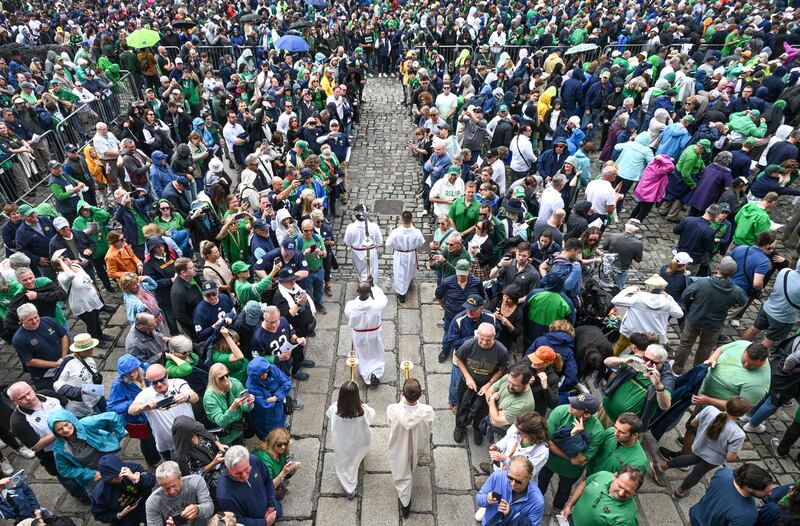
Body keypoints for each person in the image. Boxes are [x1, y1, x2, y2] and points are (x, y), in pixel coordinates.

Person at [651, 397, 751, 498]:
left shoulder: (710, 409)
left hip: (699, 446)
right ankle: (679, 492)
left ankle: (660, 467)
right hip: (712, 459)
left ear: (727, 404)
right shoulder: (738, 434)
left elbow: (693, 423)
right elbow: (730, 457)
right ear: (742, 414)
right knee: (698, 473)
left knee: (690, 458)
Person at [673, 257, 747, 373]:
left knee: (685, 344)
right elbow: (742, 302)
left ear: (718, 268)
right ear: (733, 273)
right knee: (705, 348)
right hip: (714, 324)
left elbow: (685, 295)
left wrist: (690, 308)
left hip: (695, 319)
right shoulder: (736, 291)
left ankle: (676, 369)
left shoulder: (702, 283)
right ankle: (697, 371)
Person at [538, 394, 604, 512]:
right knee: (540, 485)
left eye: (576, 406)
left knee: (563, 492)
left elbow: (579, 461)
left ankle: (557, 510)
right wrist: (571, 457)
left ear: (587, 414)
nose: (571, 406)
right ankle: (535, 503)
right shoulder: (560, 412)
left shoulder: (598, 432)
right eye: (573, 402)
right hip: (548, 462)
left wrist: (575, 437)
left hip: (570, 472)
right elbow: (548, 443)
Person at [48, 409, 126, 497]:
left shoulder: (86, 424)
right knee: (101, 496)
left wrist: (118, 437)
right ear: (56, 433)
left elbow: (112, 416)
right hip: (92, 477)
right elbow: (65, 470)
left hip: (110, 462)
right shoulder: (60, 449)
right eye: (59, 429)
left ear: (71, 421)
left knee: (125, 482)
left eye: (66, 424)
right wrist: (90, 474)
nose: (65, 430)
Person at [453, 323, 509, 445]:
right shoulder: (469, 344)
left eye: (488, 340)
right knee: (462, 404)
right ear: (477, 334)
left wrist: (489, 383)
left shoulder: (501, 351)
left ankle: (477, 429)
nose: (483, 343)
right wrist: (468, 377)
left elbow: (501, 369)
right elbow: (459, 359)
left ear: (494, 337)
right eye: (481, 339)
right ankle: (460, 425)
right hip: (467, 383)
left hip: (487, 386)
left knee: (483, 409)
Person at [128, 364, 198, 461]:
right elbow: (131, 410)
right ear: (148, 381)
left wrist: (187, 397)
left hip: (192, 439)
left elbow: (195, 397)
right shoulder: (145, 394)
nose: (159, 384)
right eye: (154, 382)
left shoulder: (177, 383)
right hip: (168, 447)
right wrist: (143, 406)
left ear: (167, 375)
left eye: (162, 380)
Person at [387, 378, 435, 518]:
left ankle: (405, 502)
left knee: (402, 474)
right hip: (418, 444)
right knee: (411, 464)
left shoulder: (392, 409)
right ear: (420, 395)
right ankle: (405, 500)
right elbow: (431, 426)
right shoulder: (428, 411)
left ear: (402, 393)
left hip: (398, 445)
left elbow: (390, 423)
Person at [107, 354, 161, 467]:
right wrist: (132, 402)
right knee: (147, 441)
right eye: (127, 373)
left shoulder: (146, 368)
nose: (132, 375)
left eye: (133, 371)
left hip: (155, 411)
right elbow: (111, 407)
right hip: (140, 419)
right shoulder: (118, 385)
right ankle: (153, 461)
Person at [610, 275, 684, 356]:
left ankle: (610, 364)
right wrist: (670, 298)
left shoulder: (637, 298)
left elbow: (615, 300)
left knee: (618, 347)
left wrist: (629, 289)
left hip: (631, 331)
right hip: (653, 336)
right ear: (663, 289)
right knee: (647, 354)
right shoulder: (667, 302)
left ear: (647, 287)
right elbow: (679, 314)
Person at [325, 380, 374, 499]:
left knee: (344, 463)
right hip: (357, 440)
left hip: (342, 441)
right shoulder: (362, 410)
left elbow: (330, 416)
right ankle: (350, 485)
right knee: (355, 458)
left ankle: (349, 486)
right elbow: (372, 415)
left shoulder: (335, 408)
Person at [688, 464, 773, 526]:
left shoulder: (723, 473)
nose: (770, 493)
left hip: (695, 516)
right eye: (766, 491)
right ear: (750, 487)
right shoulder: (746, 514)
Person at [216, 445, 279, 525]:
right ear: (228, 468)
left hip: (269, 507)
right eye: (238, 473)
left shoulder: (254, 460)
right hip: (255, 522)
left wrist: (271, 505)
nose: (244, 476)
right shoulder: (224, 495)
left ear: (248, 460)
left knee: (279, 511)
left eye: (246, 469)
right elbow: (236, 520)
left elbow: (268, 480)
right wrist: (264, 523)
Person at [561, 465, 643, 525]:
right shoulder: (602, 475)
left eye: (628, 492)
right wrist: (569, 505)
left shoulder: (627, 520)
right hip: (569, 519)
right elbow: (584, 484)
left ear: (634, 492)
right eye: (620, 486)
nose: (621, 493)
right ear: (614, 476)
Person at [170, 415, 227, 503]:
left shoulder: (196, 431)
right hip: (208, 482)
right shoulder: (180, 456)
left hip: (220, 468)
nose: (194, 437)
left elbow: (210, 436)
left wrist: (218, 444)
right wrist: (213, 463)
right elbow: (191, 478)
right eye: (190, 435)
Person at [11, 303, 68, 390]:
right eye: (30, 320)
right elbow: (29, 361)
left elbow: (63, 336)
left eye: (36, 317)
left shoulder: (48, 321)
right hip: (45, 375)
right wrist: (55, 364)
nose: (34, 321)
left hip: (63, 363)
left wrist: (64, 358)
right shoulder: (19, 339)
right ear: (21, 320)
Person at [475, 456, 545, 526]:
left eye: (518, 481)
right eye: (510, 478)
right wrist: (486, 499)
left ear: (529, 478)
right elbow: (479, 498)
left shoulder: (537, 501)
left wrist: (511, 514)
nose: (513, 484)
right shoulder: (497, 476)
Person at [90, 454, 156, 526]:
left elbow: (151, 481)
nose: (121, 478)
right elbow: (98, 515)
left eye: (121, 475)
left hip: (146, 503)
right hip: (126, 518)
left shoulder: (129, 468)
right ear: (107, 478)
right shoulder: (99, 494)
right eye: (116, 478)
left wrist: (137, 479)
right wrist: (119, 515)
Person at [344, 280, 388, 386]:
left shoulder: (351, 306)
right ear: (370, 292)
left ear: (357, 291)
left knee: (362, 354)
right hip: (374, 334)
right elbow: (383, 298)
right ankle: (377, 372)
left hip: (359, 335)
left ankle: (365, 374)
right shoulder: (377, 304)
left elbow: (347, 315)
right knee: (376, 352)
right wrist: (373, 286)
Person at [144, 461, 215, 526]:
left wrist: (198, 509)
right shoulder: (153, 502)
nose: (172, 491)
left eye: (174, 485)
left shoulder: (196, 482)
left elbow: (210, 508)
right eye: (166, 488)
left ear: (180, 476)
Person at [53, 333, 106, 416]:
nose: (91, 350)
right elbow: (57, 385)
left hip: (97, 395)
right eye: (87, 349)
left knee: (106, 413)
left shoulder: (90, 358)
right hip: (84, 402)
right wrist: (77, 391)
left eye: (91, 348)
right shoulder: (68, 363)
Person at [483, 364, 536, 444]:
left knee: (496, 450)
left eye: (515, 385)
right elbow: (488, 391)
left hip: (503, 434)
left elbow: (496, 422)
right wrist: (495, 413)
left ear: (525, 383)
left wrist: (492, 400)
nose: (510, 386)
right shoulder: (510, 378)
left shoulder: (524, 404)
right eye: (509, 382)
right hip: (492, 422)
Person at [203, 363, 254, 446]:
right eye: (221, 378)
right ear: (214, 380)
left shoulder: (235, 383)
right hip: (223, 437)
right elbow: (221, 422)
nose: (226, 379)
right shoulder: (210, 397)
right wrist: (233, 407)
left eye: (227, 375)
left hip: (238, 429)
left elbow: (245, 408)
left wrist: (249, 403)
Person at [245, 357, 294, 440]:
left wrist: (275, 397)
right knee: (269, 436)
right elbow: (264, 405)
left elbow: (287, 384)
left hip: (280, 409)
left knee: (281, 422)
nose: (265, 375)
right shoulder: (251, 386)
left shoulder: (272, 368)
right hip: (265, 418)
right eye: (261, 375)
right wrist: (280, 395)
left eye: (266, 372)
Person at [384, 211, 425, 302]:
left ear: (401, 220)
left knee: (400, 274)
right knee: (409, 270)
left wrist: (395, 244)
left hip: (400, 255)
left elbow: (388, 244)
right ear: (411, 220)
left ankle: (401, 294)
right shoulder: (416, 232)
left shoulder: (395, 232)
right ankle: (407, 284)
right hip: (411, 254)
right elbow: (421, 242)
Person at [343, 205, 383, 283]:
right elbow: (379, 241)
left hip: (356, 253)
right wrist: (373, 246)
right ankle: (367, 287)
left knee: (360, 271)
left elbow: (347, 242)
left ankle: (364, 285)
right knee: (371, 271)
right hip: (370, 252)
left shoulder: (350, 228)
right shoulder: (374, 227)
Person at [601, 218, 644, 289]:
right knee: (618, 288)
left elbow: (605, 247)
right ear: (637, 229)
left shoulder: (613, 236)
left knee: (603, 286)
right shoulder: (638, 243)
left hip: (608, 265)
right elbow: (638, 259)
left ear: (625, 226)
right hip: (622, 269)